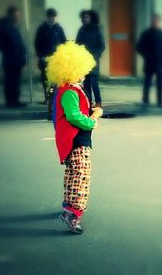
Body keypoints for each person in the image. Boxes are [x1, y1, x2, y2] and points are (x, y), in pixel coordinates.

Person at [47, 41, 103, 234]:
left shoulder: (71, 88)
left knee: (73, 175)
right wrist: (92, 120)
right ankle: (73, 215)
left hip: (76, 140)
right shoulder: (70, 91)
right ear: (72, 69)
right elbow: (73, 116)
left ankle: (68, 206)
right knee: (81, 176)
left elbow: (77, 111)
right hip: (77, 140)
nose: (85, 73)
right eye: (82, 69)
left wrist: (91, 110)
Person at [0, 6, 27, 108]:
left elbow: (20, 42)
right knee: (10, 81)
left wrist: (23, 55)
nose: (17, 17)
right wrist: (1, 47)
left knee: (17, 82)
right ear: (10, 15)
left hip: (18, 59)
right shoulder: (3, 25)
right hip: (9, 59)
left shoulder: (16, 25)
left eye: (18, 15)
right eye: (15, 15)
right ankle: (10, 102)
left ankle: (16, 100)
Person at [34, 8, 66, 120]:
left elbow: (63, 42)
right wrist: (40, 55)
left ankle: (54, 100)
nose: (51, 18)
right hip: (45, 59)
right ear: (47, 17)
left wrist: (62, 55)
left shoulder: (58, 28)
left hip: (56, 59)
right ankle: (47, 98)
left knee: (56, 82)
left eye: (53, 16)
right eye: (49, 16)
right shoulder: (42, 29)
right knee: (45, 79)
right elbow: (37, 43)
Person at [136, 14, 162, 108]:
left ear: (159, 22)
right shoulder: (146, 33)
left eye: (156, 21)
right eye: (153, 21)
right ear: (151, 22)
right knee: (147, 82)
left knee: (160, 83)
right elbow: (139, 47)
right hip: (149, 62)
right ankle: (145, 100)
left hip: (160, 63)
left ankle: (160, 101)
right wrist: (146, 56)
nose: (155, 22)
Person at [76, 10, 105, 108]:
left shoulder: (97, 29)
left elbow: (102, 45)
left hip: (93, 60)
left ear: (91, 18)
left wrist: (96, 55)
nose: (85, 19)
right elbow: (77, 44)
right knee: (86, 82)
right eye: (83, 17)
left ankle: (98, 102)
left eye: (87, 17)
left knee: (93, 81)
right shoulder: (81, 30)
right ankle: (88, 102)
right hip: (83, 60)